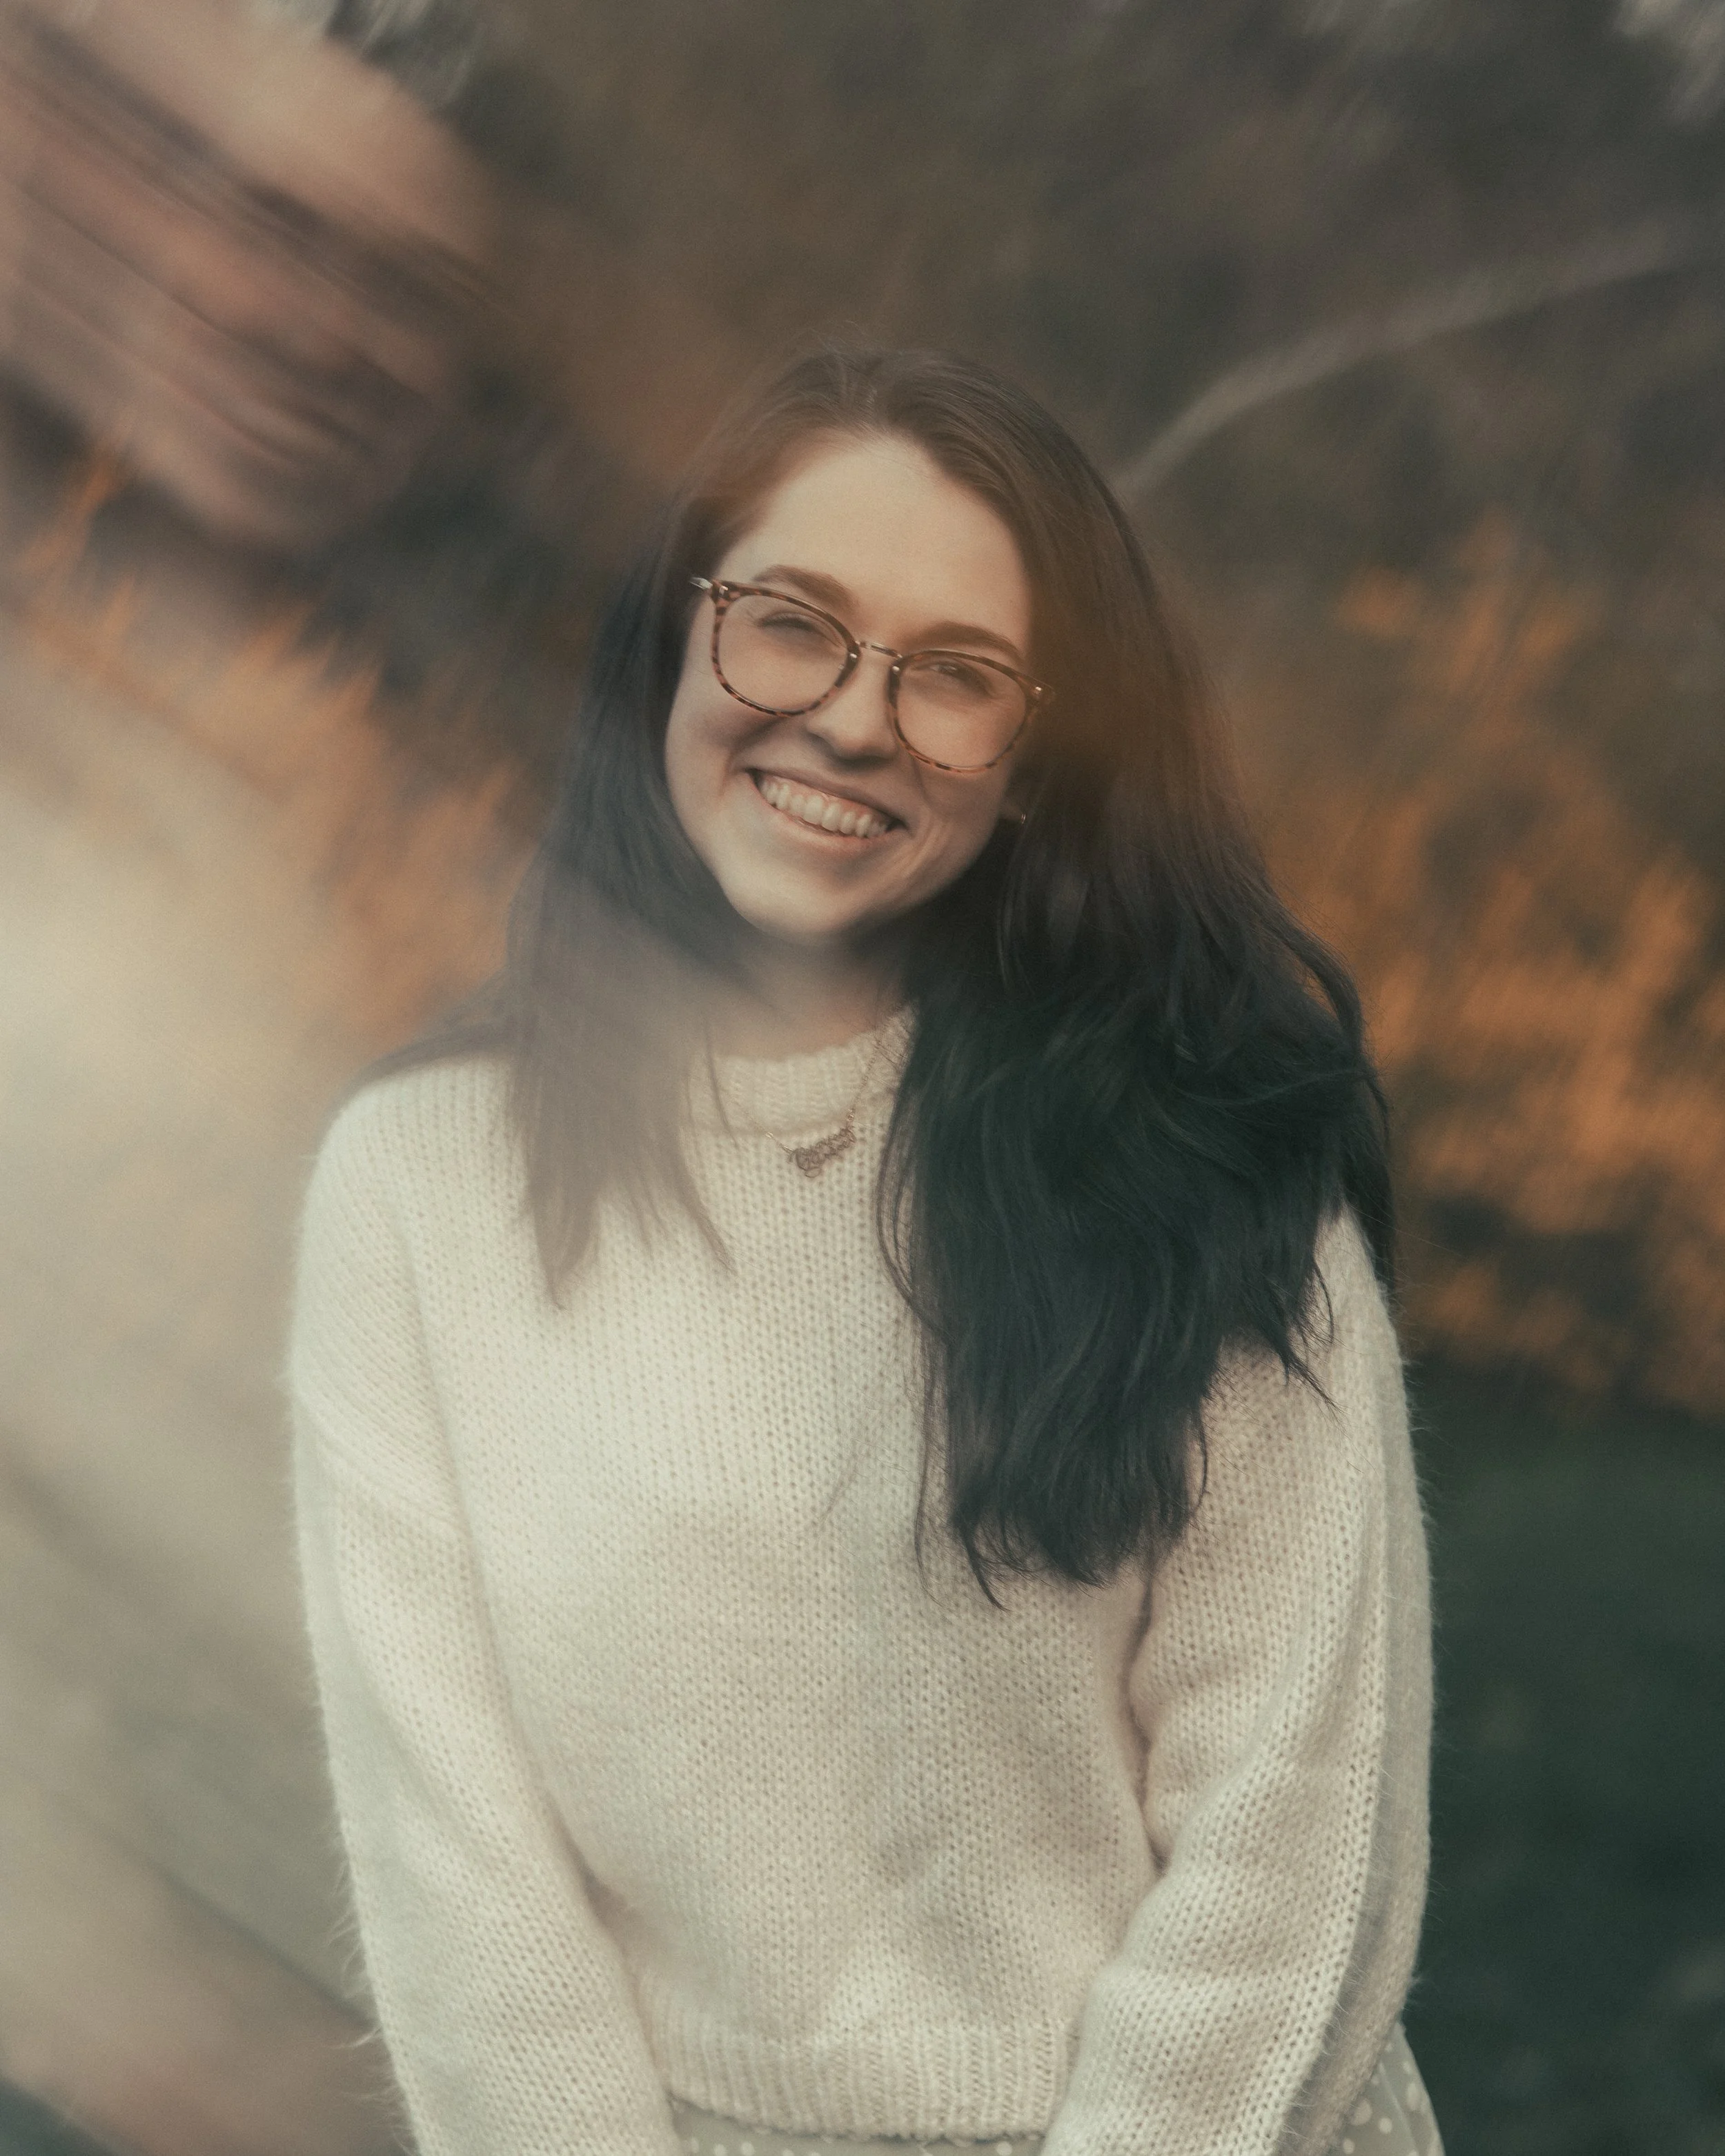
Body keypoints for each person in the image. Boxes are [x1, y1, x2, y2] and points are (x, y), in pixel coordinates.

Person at [289, 346, 1441, 2156]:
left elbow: (1292, 1830)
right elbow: (458, 1861)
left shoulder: (1205, 1173)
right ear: (673, 637)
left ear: (1040, 759)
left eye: (956, 676)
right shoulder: (416, 1181)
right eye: (790, 623)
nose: (846, 717)